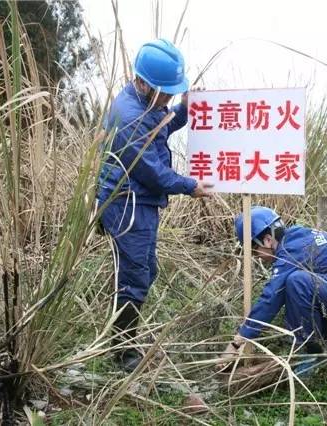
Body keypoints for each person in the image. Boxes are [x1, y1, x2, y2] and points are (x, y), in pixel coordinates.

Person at [97, 39, 212, 371]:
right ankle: (122, 352)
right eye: (167, 93)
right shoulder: (131, 116)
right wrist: (191, 186)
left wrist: (186, 109)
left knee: (144, 273)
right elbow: (154, 173)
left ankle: (122, 336)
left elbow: (162, 125)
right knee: (136, 276)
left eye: (173, 94)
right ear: (144, 83)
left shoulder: (144, 102)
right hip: (128, 203)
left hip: (138, 202)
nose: (169, 100)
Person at [220, 206, 327, 373]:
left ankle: (312, 353)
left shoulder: (290, 251)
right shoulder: (298, 237)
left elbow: (271, 299)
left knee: (297, 282)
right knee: (301, 282)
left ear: (267, 240)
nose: (259, 258)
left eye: (256, 252)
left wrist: (238, 341)